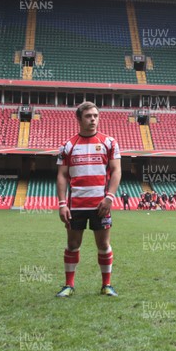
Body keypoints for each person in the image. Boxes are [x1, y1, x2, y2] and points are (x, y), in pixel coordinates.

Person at [56, 101, 121, 297]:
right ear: (79, 118)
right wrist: (62, 204)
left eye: (95, 116)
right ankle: (69, 285)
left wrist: (109, 197)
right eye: (88, 116)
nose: (93, 119)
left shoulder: (109, 142)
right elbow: (61, 175)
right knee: (73, 245)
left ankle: (106, 285)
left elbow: (117, 170)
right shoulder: (68, 145)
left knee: (103, 245)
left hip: (100, 205)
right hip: (75, 205)